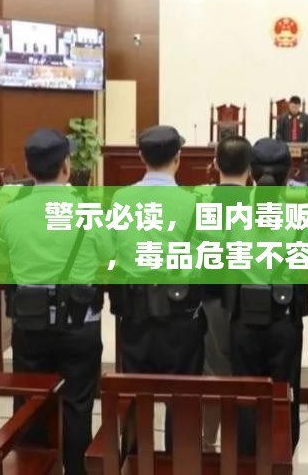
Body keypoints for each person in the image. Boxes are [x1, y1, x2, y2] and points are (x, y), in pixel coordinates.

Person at [0, 129, 110, 475]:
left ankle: (35, 467)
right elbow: (108, 256)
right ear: (66, 166)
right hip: (79, 325)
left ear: (28, 167)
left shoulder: (9, 212)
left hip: (30, 326)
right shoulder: (88, 211)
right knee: (77, 406)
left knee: (32, 405)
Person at [109, 125, 206, 449]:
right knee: (183, 401)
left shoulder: (120, 200)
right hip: (181, 318)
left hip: (135, 316)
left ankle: (135, 462)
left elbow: (111, 251)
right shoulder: (193, 203)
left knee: (136, 398)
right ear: (178, 158)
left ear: (141, 157)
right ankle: (180, 463)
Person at [224, 138, 308, 454]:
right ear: (289, 173)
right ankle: (281, 461)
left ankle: (248, 463)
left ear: (251, 171)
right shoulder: (301, 214)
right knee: (284, 399)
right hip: (283, 322)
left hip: (244, 322)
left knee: (247, 403)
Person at [202, 135, 252, 451]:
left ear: (215, 164)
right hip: (250, 303)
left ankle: (208, 445)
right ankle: (239, 450)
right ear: (250, 168)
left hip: (210, 300)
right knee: (244, 375)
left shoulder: (200, 202)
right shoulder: (263, 206)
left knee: (212, 373)